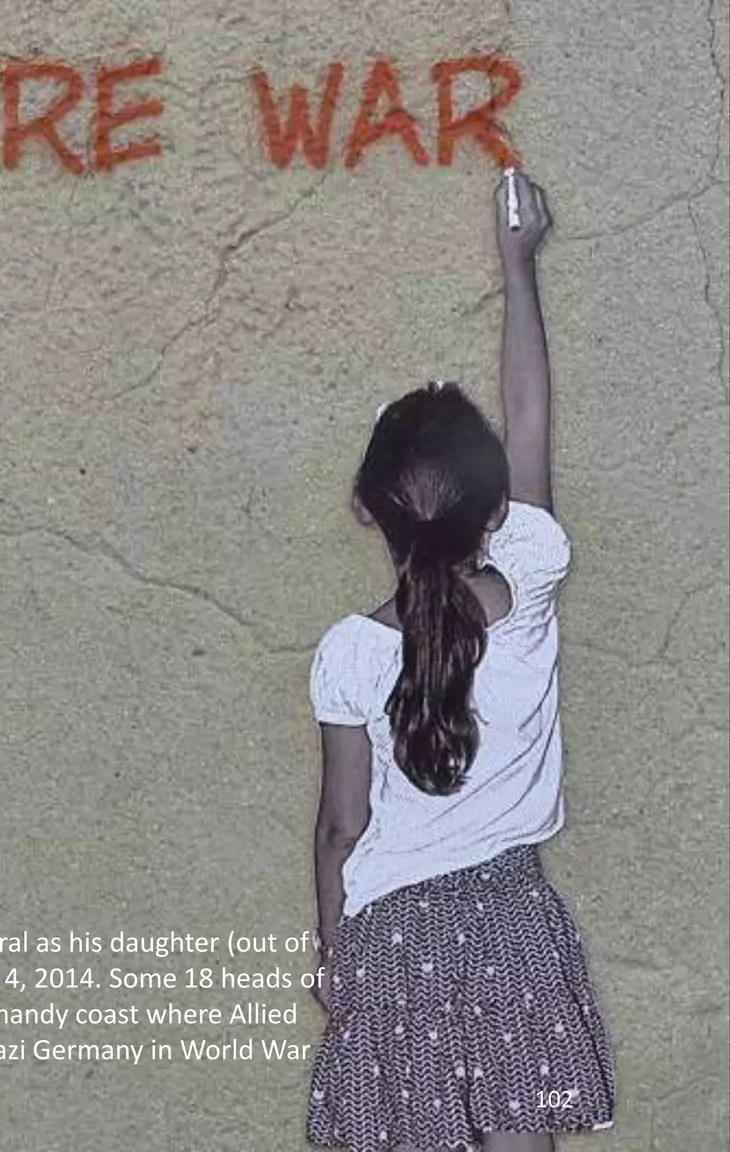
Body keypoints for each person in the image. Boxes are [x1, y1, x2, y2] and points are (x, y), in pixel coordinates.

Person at [304, 170, 616, 1151]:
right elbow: (527, 425)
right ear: (492, 509)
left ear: (365, 506)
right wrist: (515, 266)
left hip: (391, 942)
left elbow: (340, 827)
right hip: (512, 919)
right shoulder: (524, 592)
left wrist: (330, 950)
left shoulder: (348, 653)